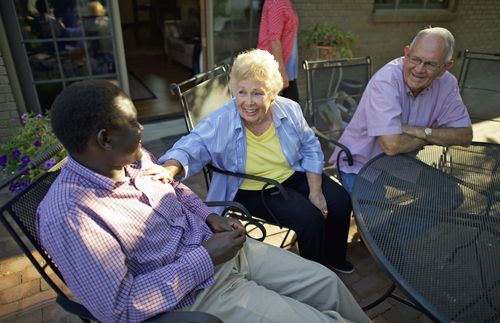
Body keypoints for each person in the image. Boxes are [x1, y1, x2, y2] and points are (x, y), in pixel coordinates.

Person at [36, 79, 370, 323]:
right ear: (105, 139)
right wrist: (206, 257)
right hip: (197, 294)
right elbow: (120, 307)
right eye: (133, 123)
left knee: (328, 285)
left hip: (228, 251)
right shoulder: (70, 216)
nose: (141, 128)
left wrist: (209, 218)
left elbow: (175, 190)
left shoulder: (128, 159)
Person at [157, 49, 354, 274]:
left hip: (294, 172)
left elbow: (310, 147)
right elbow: (192, 145)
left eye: (257, 93)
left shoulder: (289, 109)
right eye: (242, 92)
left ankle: (334, 258)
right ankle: (318, 275)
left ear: (272, 93)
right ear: (234, 91)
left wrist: (315, 191)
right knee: (310, 219)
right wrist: (170, 168)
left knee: (340, 200)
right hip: (254, 188)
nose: (248, 102)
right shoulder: (222, 120)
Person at [330, 27, 473, 194]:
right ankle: (395, 221)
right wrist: (435, 134)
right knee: (374, 217)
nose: (419, 70)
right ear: (406, 53)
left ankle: (399, 221)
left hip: (401, 164)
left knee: (450, 194)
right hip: (359, 165)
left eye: (430, 64)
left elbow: (465, 135)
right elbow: (391, 146)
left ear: (445, 67)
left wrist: (417, 131)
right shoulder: (386, 80)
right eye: (415, 59)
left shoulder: (447, 84)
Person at [257, 0, 299, 102]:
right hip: (275, 67)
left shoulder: (285, 2)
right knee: (284, 107)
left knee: (290, 107)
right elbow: (274, 39)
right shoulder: (276, 2)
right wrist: (281, 70)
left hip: (287, 66)